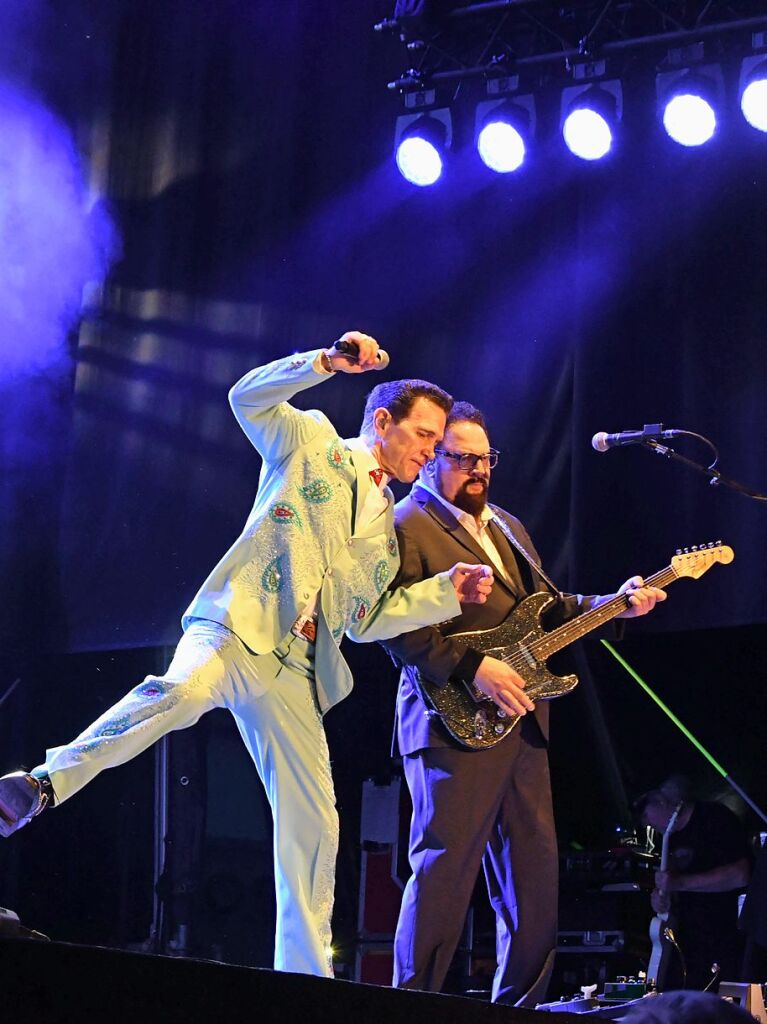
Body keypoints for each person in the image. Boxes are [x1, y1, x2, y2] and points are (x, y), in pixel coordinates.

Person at [0, 333, 495, 977]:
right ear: (382, 422)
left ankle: (305, 979)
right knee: (175, 694)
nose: (432, 450)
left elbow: (367, 619)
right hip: (238, 626)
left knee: (315, 823)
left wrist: (440, 594)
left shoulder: (387, 528)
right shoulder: (312, 441)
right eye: (426, 435)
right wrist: (324, 362)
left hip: (296, 670)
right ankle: (42, 784)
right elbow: (247, 397)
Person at [379, 401, 666, 1005]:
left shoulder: (507, 526)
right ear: (432, 460)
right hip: (449, 718)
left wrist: (615, 602)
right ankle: (410, 1003)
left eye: (486, 458)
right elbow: (390, 626)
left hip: (523, 721)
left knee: (533, 878)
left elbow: (552, 609)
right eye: (462, 458)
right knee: (443, 872)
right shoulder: (404, 524)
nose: (478, 469)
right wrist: (471, 666)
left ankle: (520, 1007)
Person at [636, 776, 752, 991]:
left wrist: (680, 883)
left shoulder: (715, 819)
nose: (646, 823)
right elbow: (668, 887)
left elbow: (740, 875)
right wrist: (660, 899)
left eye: (645, 813)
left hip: (724, 936)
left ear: (661, 801)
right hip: (686, 943)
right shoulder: (668, 838)